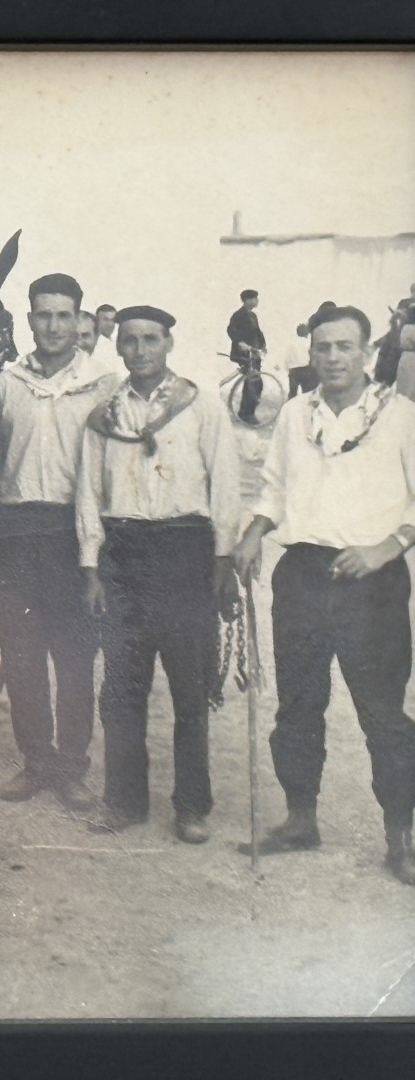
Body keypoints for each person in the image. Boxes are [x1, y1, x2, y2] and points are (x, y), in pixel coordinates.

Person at [232, 304, 415, 886]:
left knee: (383, 714)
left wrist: (387, 547)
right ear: (310, 352)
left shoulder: (402, 416)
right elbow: (274, 486)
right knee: (298, 705)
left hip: (372, 582)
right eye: (323, 347)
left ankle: (401, 836)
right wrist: (254, 531)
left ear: (366, 352)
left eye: (345, 347)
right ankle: (300, 818)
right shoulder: (293, 414)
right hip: (302, 576)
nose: (333, 357)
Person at [77, 306, 241, 842]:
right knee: (122, 691)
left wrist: (223, 560)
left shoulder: (202, 407)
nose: (141, 350)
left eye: (151, 339)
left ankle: (192, 807)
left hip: (185, 553)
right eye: (130, 341)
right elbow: (88, 495)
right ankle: (124, 802)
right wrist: (90, 565)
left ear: (169, 343)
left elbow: (227, 487)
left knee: (191, 692)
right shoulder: (105, 416)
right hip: (122, 555)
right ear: (118, 347)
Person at [0, 272, 119, 811]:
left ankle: (73, 766)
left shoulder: (103, 384)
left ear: (80, 320)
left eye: (64, 315)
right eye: (44, 314)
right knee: (21, 656)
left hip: (74, 535)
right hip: (17, 534)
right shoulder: (8, 381)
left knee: (76, 659)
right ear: (30, 318)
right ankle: (36, 761)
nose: (54, 325)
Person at [227, 289, 267, 424]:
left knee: (256, 383)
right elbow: (231, 330)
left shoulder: (253, 316)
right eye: (255, 298)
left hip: (254, 354)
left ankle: (247, 412)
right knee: (253, 382)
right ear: (247, 300)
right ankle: (246, 414)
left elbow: (258, 332)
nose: (257, 301)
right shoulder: (238, 315)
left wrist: (263, 345)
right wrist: (240, 342)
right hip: (244, 354)